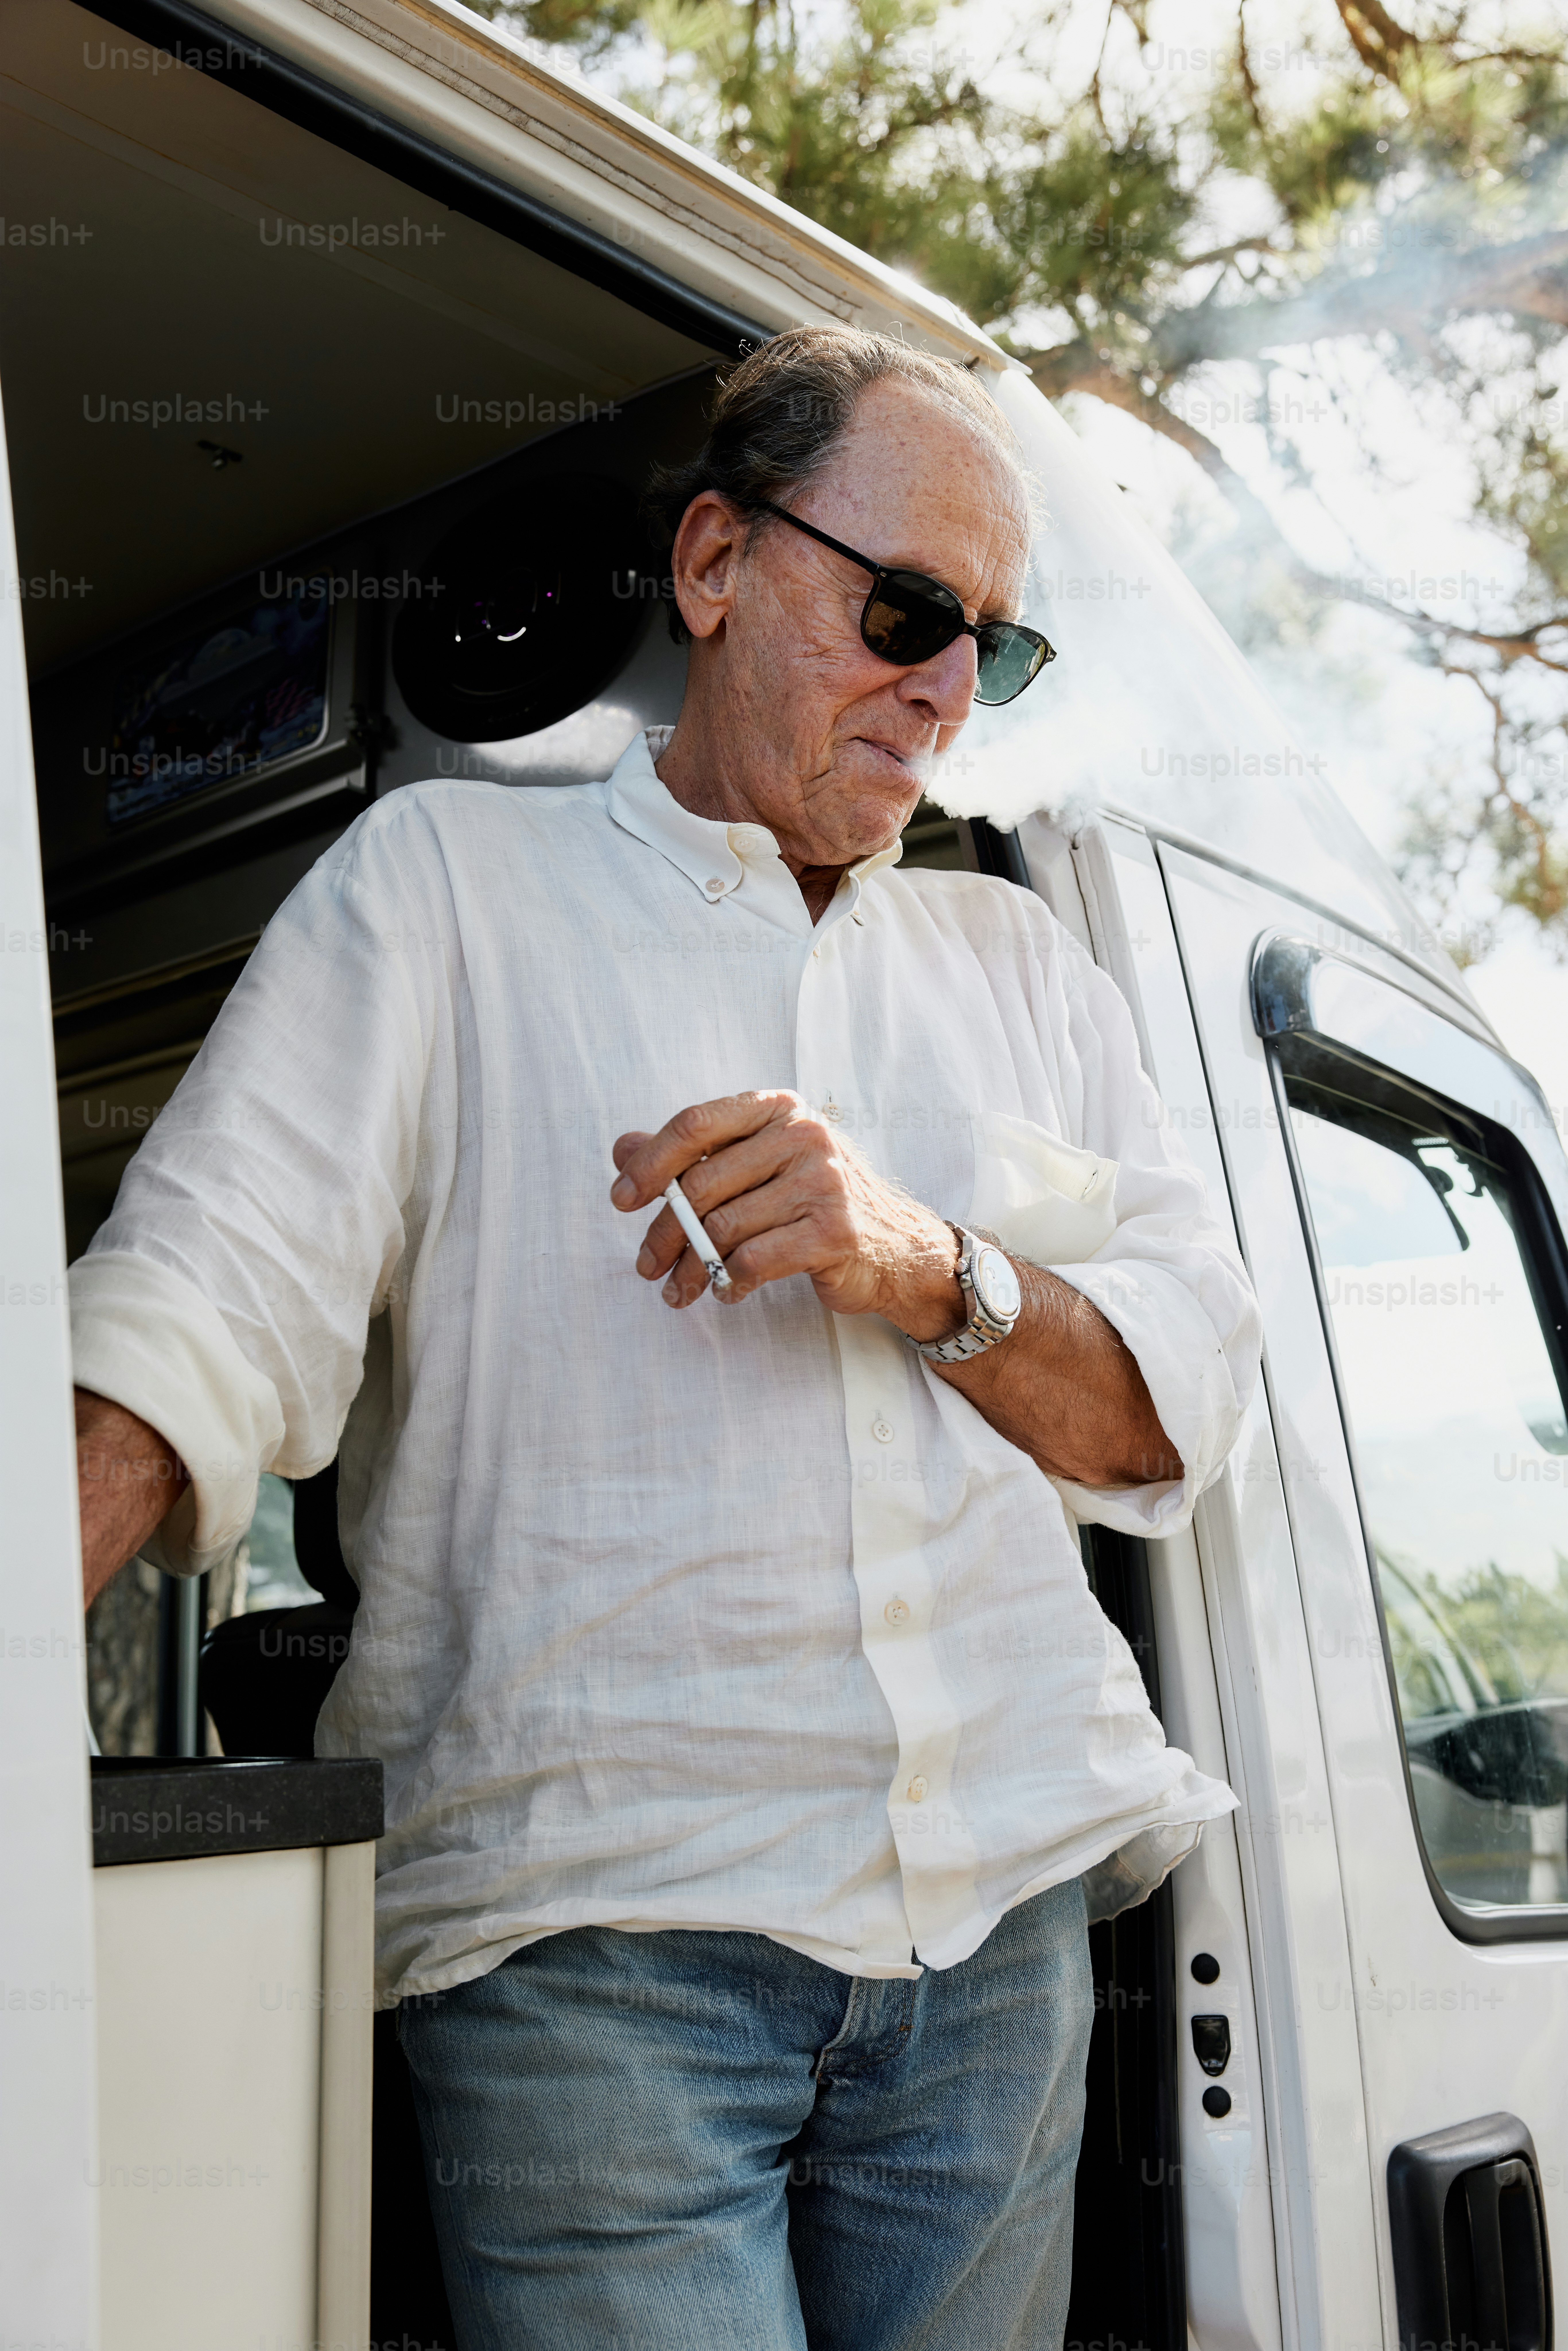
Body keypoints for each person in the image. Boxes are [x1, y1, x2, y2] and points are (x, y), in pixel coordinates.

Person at [71, 324, 1261, 2351]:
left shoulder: (1021, 962)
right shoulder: (440, 888)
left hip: (996, 1934)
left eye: (995, 646)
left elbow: (1177, 1410)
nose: (948, 687)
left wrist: (931, 1265)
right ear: (712, 564)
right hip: (593, 1946)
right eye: (904, 610)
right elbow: (204, 1297)